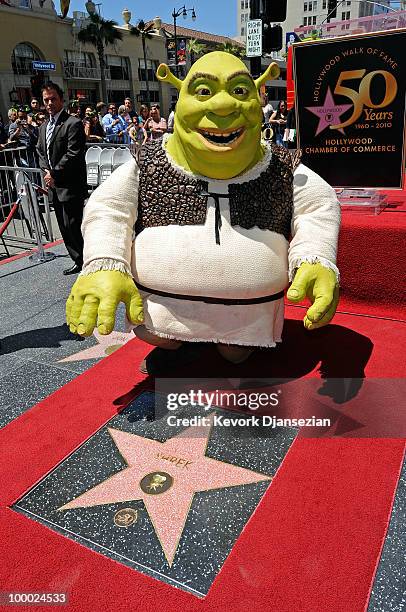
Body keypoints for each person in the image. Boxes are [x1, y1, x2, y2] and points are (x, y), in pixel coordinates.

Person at [66, 52, 340, 375]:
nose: (223, 107)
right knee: (160, 334)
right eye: (204, 92)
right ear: (180, 101)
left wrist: (315, 255)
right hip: (162, 318)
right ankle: (182, 344)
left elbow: (318, 205)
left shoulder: (280, 166)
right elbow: (108, 207)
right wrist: (103, 262)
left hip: (248, 323)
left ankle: (236, 346)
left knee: (237, 351)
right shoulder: (150, 162)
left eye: (239, 91)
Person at [37, 81, 87, 275]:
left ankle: (87, 259)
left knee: (74, 226)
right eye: (46, 100)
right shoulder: (43, 127)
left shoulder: (72, 123)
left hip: (70, 186)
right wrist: (46, 173)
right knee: (64, 228)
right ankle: (78, 260)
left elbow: (73, 154)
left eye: (53, 99)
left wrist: (54, 173)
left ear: (61, 99)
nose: (49, 103)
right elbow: (40, 151)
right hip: (54, 186)